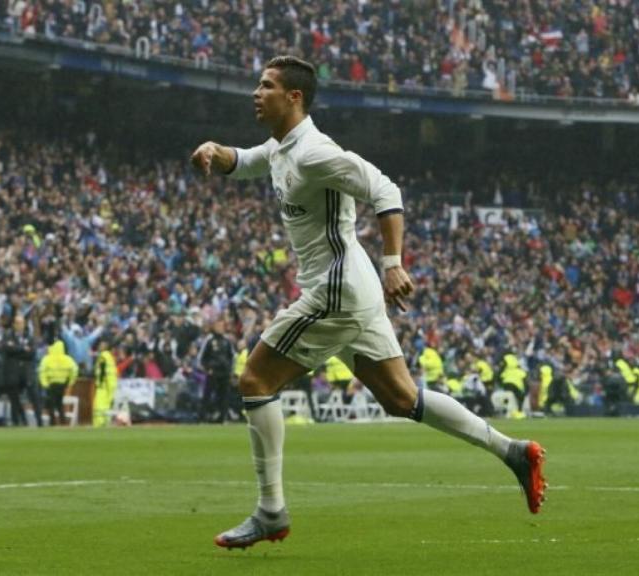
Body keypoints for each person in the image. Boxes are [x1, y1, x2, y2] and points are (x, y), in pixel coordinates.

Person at [189, 56, 545, 550]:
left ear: (294, 97)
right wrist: (214, 150)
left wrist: (393, 262)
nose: (256, 92)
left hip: (337, 291)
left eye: (266, 85)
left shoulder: (315, 153)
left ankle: (271, 512)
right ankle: (514, 452)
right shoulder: (281, 148)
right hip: (350, 291)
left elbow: (384, 189)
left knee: (255, 380)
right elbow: (245, 160)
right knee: (402, 399)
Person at [197, 318, 236, 423]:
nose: (220, 328)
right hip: (213, 372)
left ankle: (223, 418)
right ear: (214, 327)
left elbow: (232, 356)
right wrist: (207, 369)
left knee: (224, 396)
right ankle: (203, 417)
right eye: (218, 326)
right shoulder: (209, 340)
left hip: (225, 373)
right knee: (208, 395)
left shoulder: (227, 341)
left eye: (222, 326)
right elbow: (201, 357)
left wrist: (230, 370)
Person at [38, 340, 78, 426]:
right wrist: (70, 381)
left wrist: (44, 384)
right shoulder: (67, 359)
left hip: (51, 384)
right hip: (62, 384)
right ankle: (63, 422)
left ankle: (53, 422)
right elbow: (75, 370)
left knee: (51, 404)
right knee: (59, 404)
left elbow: (41, 371)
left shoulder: (47, 359)